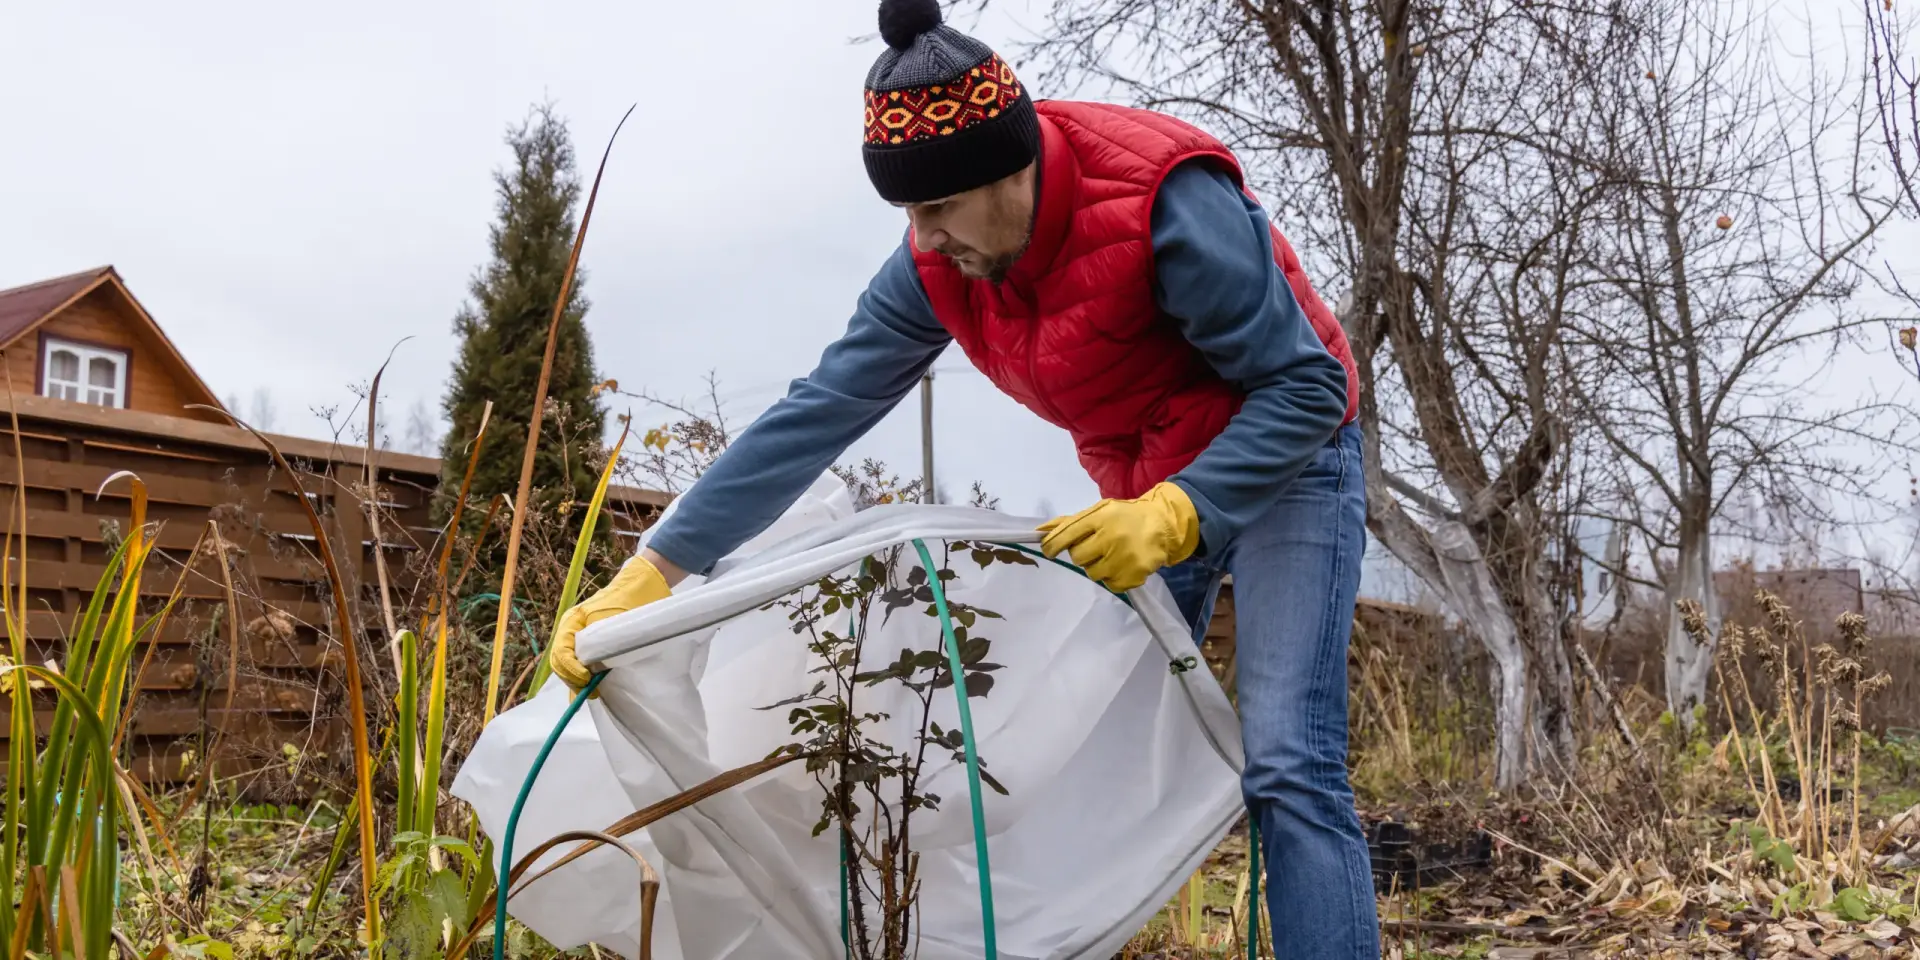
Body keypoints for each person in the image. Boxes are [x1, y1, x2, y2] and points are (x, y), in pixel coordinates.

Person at [548, 0, 1378, 953]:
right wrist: (657, 570)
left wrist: (1180, 510)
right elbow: (819, 410)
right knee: (1091, 762)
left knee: (1287, 760)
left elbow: (1306, 385)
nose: (925, 236)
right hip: (1146, 479)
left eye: (937, 207)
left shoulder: (1163, 202)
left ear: (1010, 170)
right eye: (909, 213)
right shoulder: (937, 266)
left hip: (1289, 455)